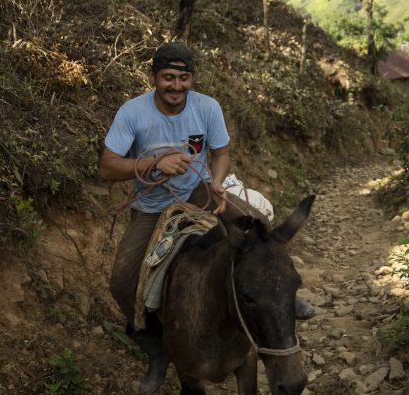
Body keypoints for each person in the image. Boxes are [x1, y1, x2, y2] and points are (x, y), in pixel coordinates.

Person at [100, 42, 312, 395]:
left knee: (260, 229)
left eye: (184, 78)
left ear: (192, 79)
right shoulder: (132, 113)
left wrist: (216, 180)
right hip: (153, 206)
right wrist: (154, 162)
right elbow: (107, 168)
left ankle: (282, 301)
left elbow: (222, 153)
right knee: (122, 282)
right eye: (168, 77)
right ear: (153, 77)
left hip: (201, 194)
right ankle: (156, 348)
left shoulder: (207, 107)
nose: (176, 86)